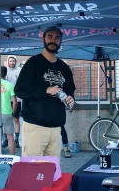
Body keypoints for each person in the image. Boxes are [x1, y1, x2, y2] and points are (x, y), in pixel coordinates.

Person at [15, 26, 76, 159]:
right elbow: (19, 90)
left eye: (57, 38)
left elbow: (70, 89)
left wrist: (71, 98)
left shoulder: (64, 67)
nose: (53, 41)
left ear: (60, 42)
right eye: (50, 37)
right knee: (31, 170)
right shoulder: (33, 63)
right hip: (35, 126)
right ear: (43, 38)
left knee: (51, 171)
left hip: (56, 127)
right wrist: (45, 90)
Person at [2, 55, 22, 148]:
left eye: (13, 61)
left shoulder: (19, 70)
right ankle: (5, 139)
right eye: (10, 61)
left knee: (16, 119)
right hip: (7, 99)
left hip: (17, 99)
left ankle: (16, 139)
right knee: (6, 120)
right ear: (8, 62)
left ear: (16, 61)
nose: (12, 63)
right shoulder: (5, 71)